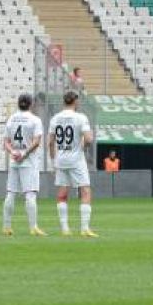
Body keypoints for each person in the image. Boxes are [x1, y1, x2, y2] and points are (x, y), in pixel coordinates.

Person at [48, 91, 97, 238]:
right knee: (85, 191)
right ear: (75, 102)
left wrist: (53, 160)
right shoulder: (80, 117)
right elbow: (88, 139)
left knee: (63, 193)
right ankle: (84, 228)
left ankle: (65, 228)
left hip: (61, 159)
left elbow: (50, 142)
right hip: (76, 159)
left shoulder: (55, 118)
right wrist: (83, 145)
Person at [3, 93, 45, 236]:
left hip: (14, 160)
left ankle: (7, 227)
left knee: (10, 193)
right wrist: (24, 154)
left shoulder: (11, 119)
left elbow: (6, 142)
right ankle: (33, 227)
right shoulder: (35, 120)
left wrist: (13, 152)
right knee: (30, 194)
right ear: (31, 104)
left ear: (18, 103)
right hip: (28, 161)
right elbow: (36, 141)